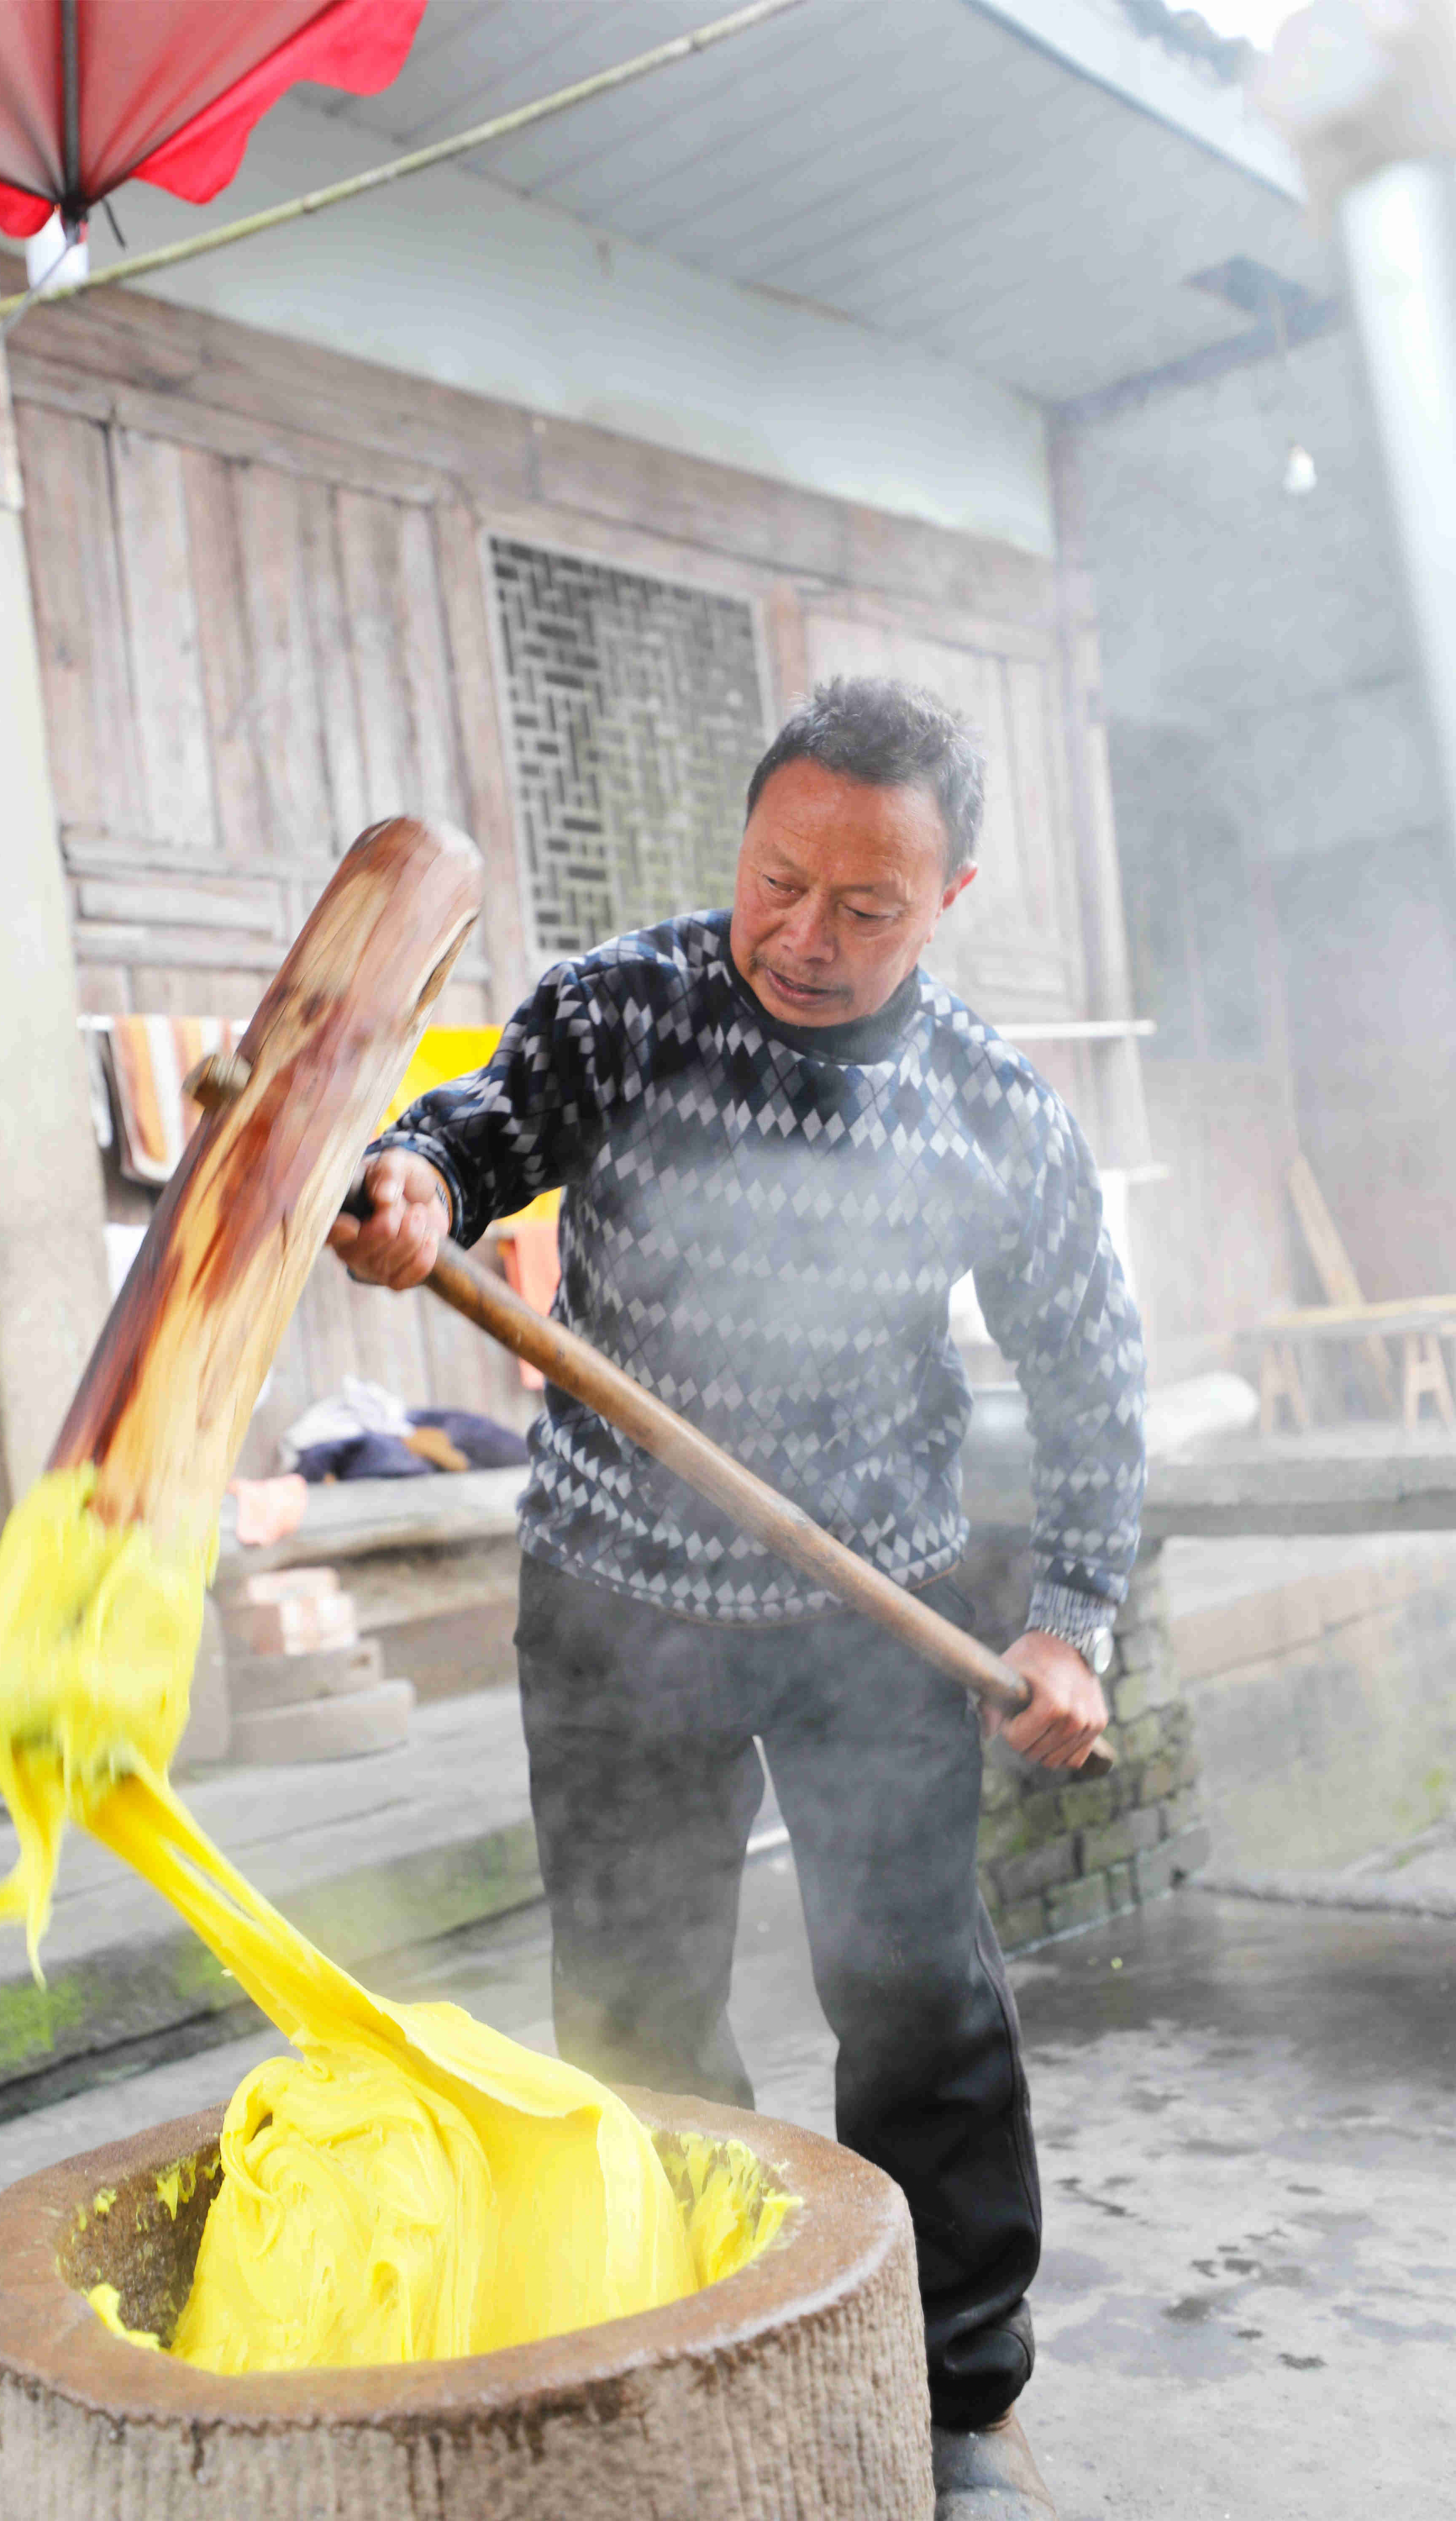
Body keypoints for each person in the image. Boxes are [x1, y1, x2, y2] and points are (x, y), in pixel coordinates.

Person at [334, 676, 1146, 2518]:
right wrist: (413, 1176)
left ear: (950, 901)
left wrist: (1070, 1617)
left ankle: (955, 2397)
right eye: (777, 881)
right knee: (631, 2003)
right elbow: (470, 1129)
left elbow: (1091, 1372)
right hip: (621, 1602)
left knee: (920, 2000)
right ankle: (684, 2336)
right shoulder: (627, 1007)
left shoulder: (988, 1111)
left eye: (865, 908)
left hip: (870, 1608)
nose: (802, 936)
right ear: (744, 845)